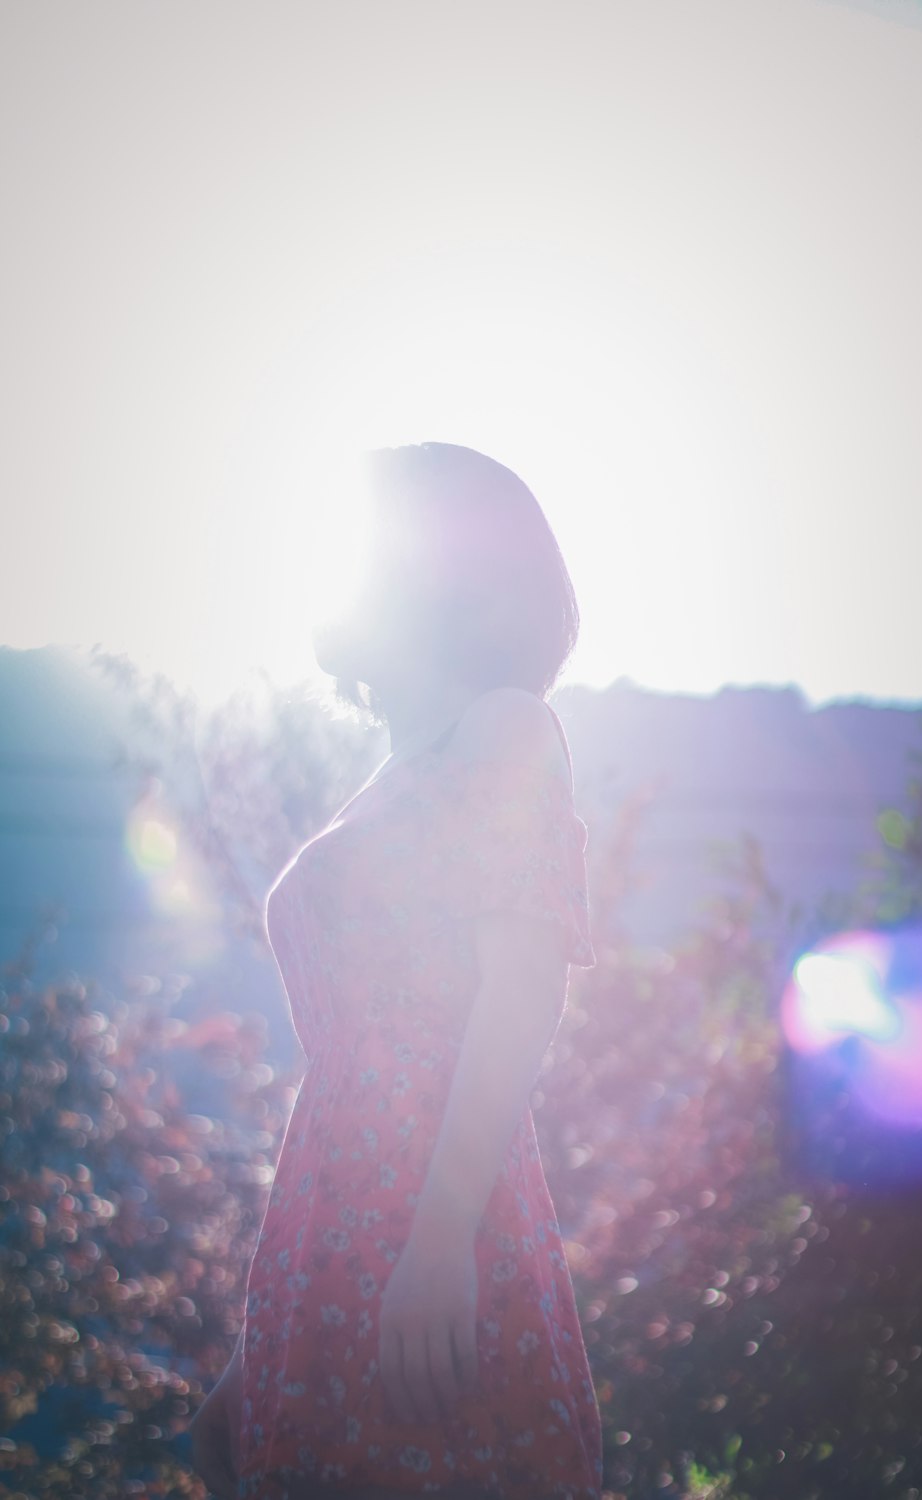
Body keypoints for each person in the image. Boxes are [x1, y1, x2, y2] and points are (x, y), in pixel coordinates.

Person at [188, 442, 601, 1500]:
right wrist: (263, 1334)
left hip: (432, 1218)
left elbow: (520, 993)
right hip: (328, 1226)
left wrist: (439, 1243)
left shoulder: (503, 725)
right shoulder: (390, 768)